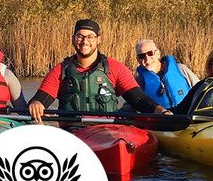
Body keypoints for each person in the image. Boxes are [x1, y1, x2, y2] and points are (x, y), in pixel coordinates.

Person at [27, 19, 169, 123]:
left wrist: (160, 111)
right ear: (73, 39)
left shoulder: (115, 68)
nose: (84, 41)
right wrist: (36, 104)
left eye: (90, 37)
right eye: (80, 36)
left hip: (107, 132)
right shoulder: (61, 70)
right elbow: (41, 98)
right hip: (74, 132)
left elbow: (138, 99)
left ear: (98, 39)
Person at [134, 38, 199, 109]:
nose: (147, 59)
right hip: (160, 118)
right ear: (138, 60)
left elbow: (201, 91)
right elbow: (130, 104)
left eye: (150, 53)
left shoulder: (181, 69)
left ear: (158, 54)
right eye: (141, 56)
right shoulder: (138, 81)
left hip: (186, 117)